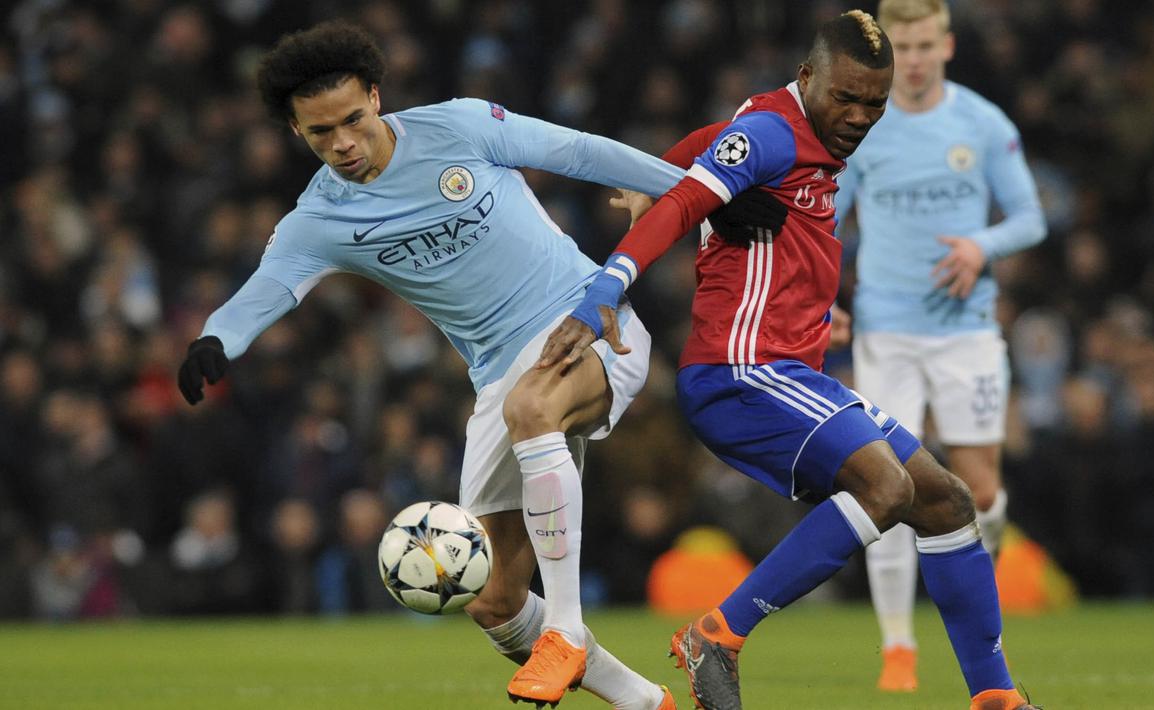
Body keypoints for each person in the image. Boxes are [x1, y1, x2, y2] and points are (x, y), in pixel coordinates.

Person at [176, 21, 779, 710]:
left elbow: (580, 152)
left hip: (588, 319)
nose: (342, 142)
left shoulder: (459, 127)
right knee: (491, 602)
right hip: (496, 374)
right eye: (320, 133)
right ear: (296, 132)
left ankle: (567, 629)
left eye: (351, 119)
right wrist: (215, 340)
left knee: (532, 408)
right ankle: (647, 703)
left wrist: (704, 191)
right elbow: (271, 286)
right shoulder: (320, 218)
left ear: (375, 96)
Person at [539, 10, 1037, 710]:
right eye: (846, 97)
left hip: (787, 368)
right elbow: (689, 201)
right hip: (741, 371)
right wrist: (607, 286)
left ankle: (995, 697)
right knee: (885, 489)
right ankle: (719, 633)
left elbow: (710, 145)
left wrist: (654, 170)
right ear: (808, 77)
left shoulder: (794, 127)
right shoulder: (773, 133)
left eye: (874, 101)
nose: (860, 115)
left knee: (947, 502)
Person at [832, 0, 1046, 691]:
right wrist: (821, 296)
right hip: (887, 332)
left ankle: (981, 624)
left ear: (946, 44)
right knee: (887, 485)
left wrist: (978, 246)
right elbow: (824, 217)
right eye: (905, 45)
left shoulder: (980, 124)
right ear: (887, 49)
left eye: (926, 43)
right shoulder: (865, 122)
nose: (916, 58)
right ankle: (897, 645)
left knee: (978, 490)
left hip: (963, 333)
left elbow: (1028, 218)